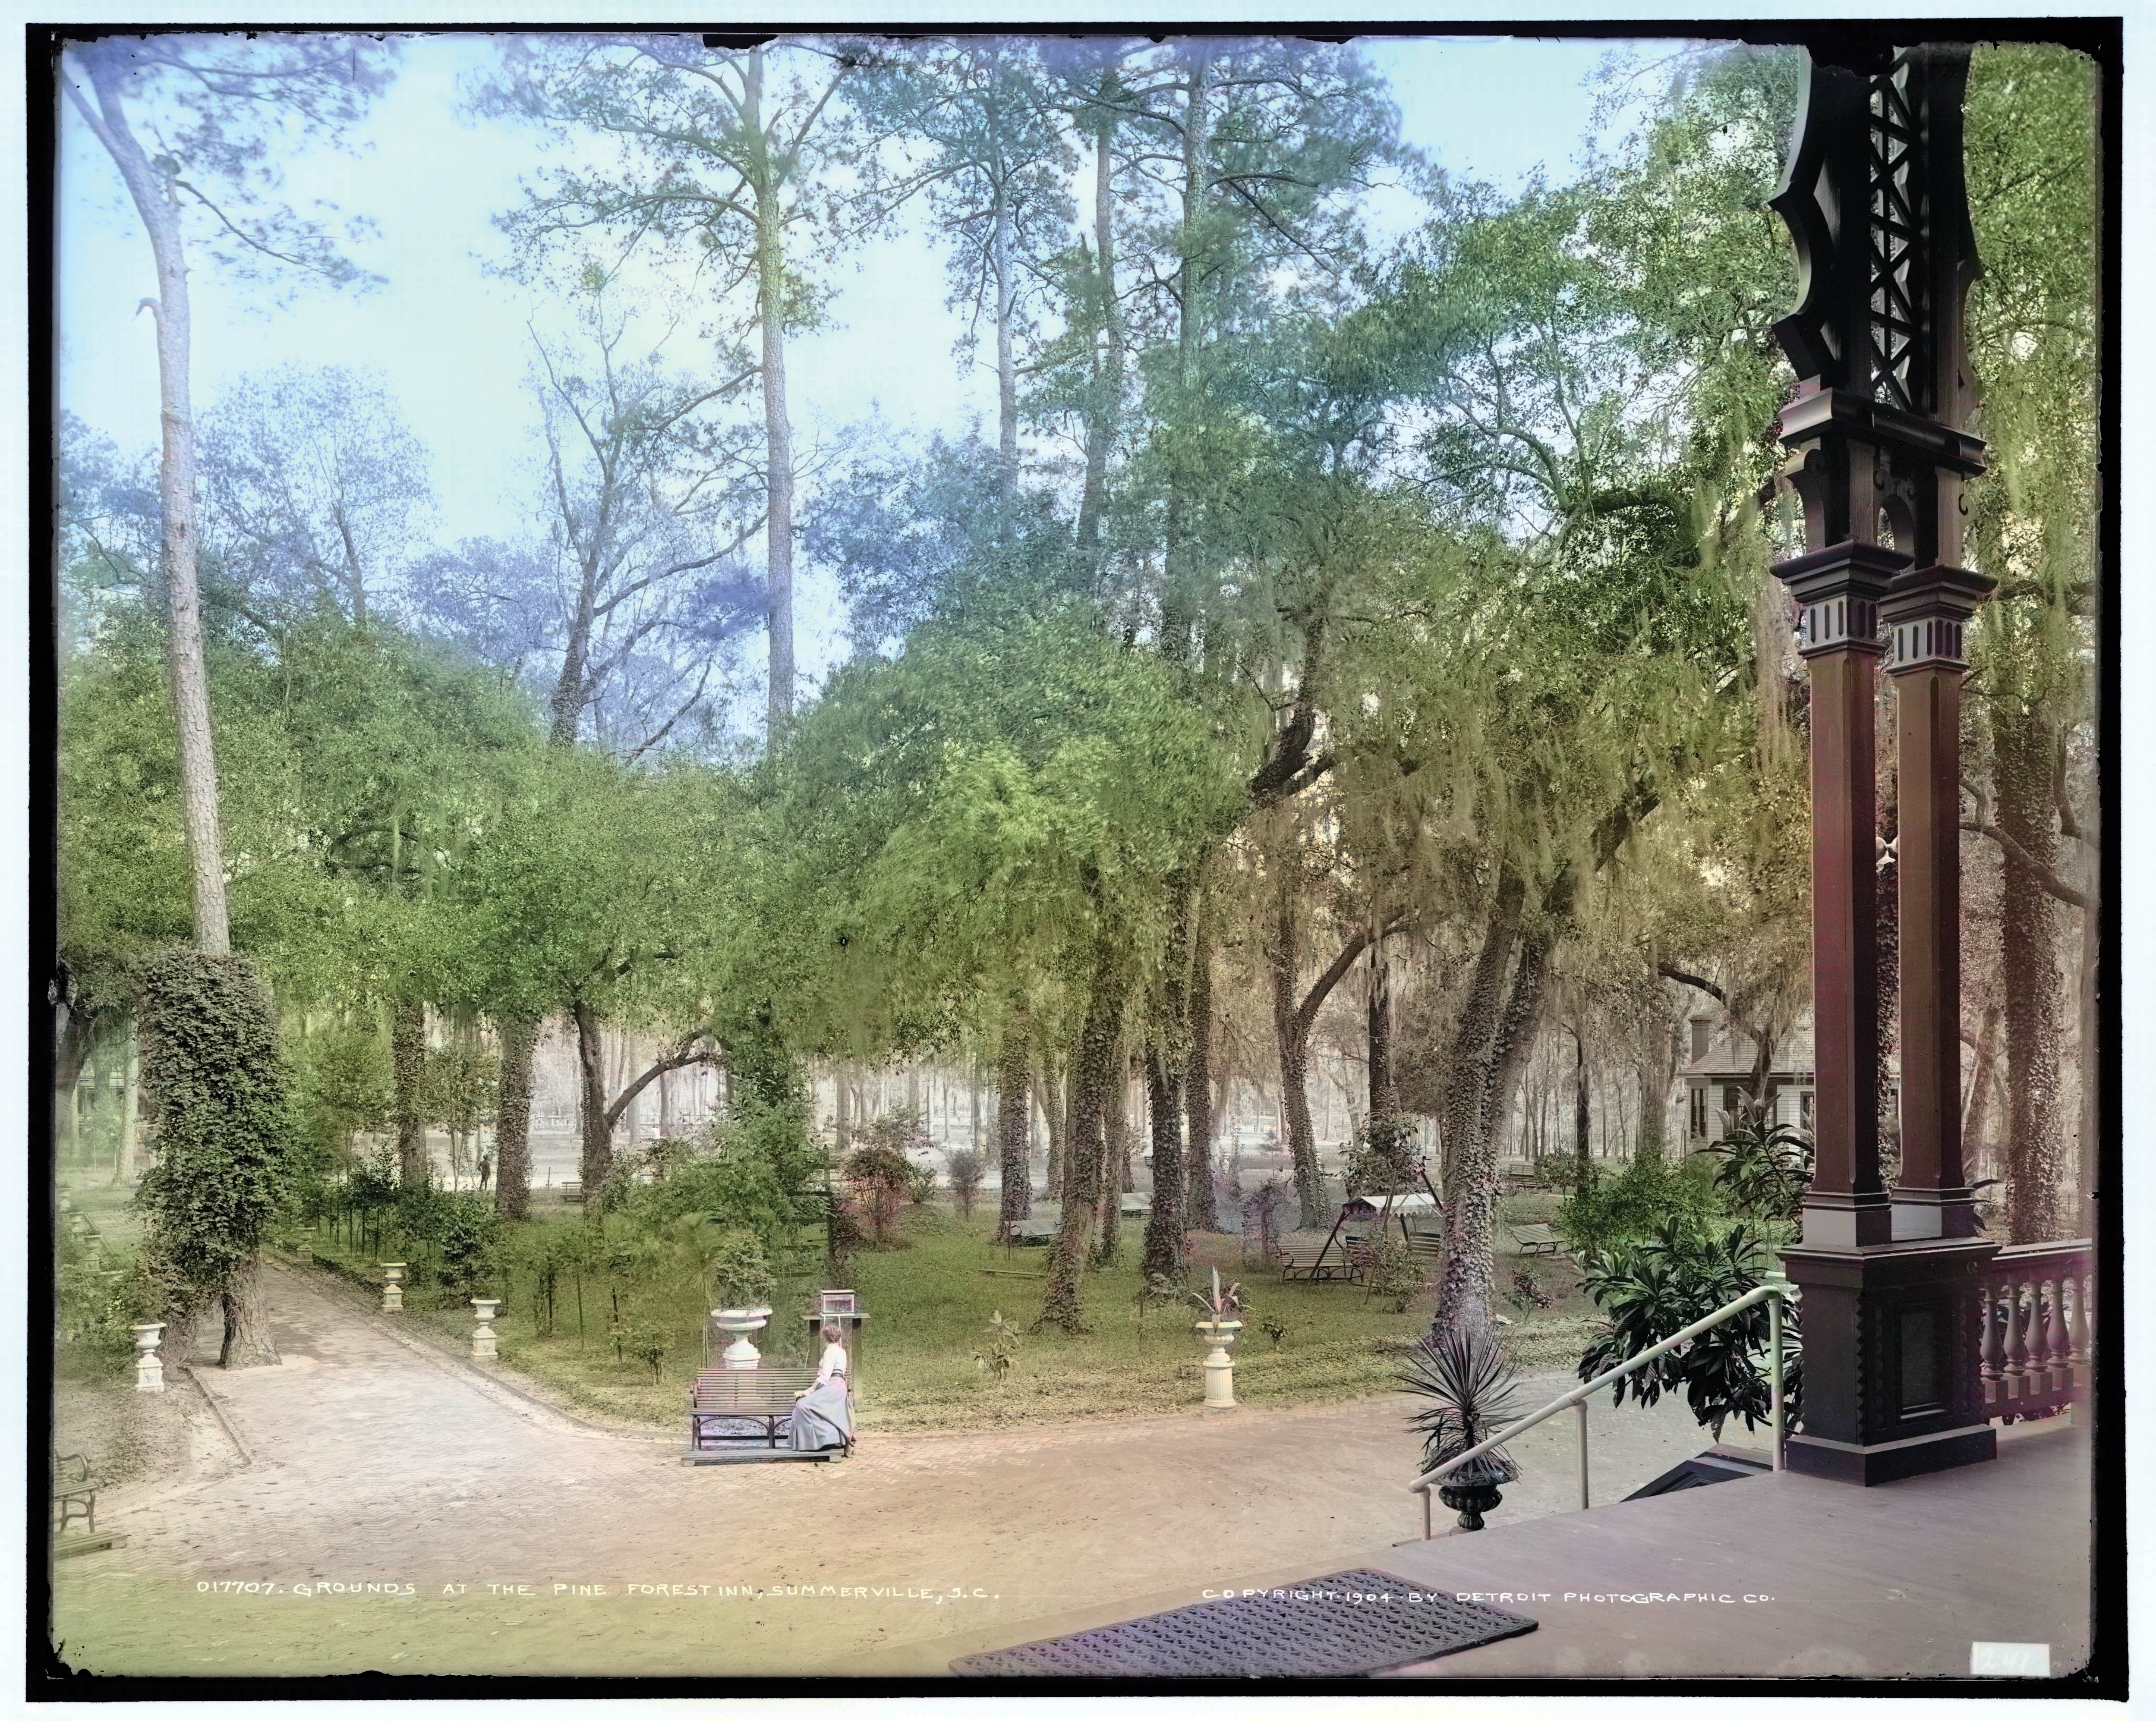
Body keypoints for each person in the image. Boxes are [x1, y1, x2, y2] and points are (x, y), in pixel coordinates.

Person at [789, 1321, 853, 1453]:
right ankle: (829, 1439)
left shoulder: (830, 1352)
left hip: (832, 1386)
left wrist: (807, 1392)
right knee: (817, 1408)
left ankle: (817, 1441)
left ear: (825, 1339)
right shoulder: (842, 1352)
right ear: (838, 1338)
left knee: (803, 1405)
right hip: (840, 1387)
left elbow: (825, 1377)